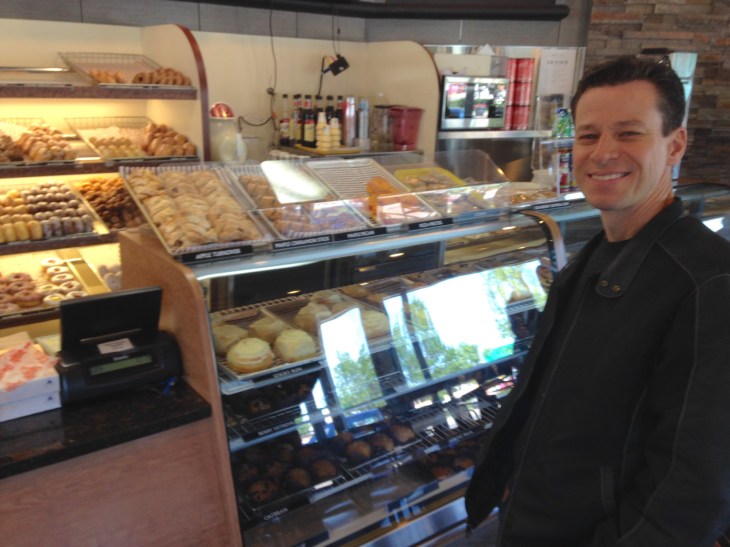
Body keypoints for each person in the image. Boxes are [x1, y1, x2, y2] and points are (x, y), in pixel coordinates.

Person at [465, 55, 730, 546]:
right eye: (588, 136)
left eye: (629, 133)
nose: (603, 153)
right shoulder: (597, 255)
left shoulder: (711, 282)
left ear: (675, 145)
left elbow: (689, 493)